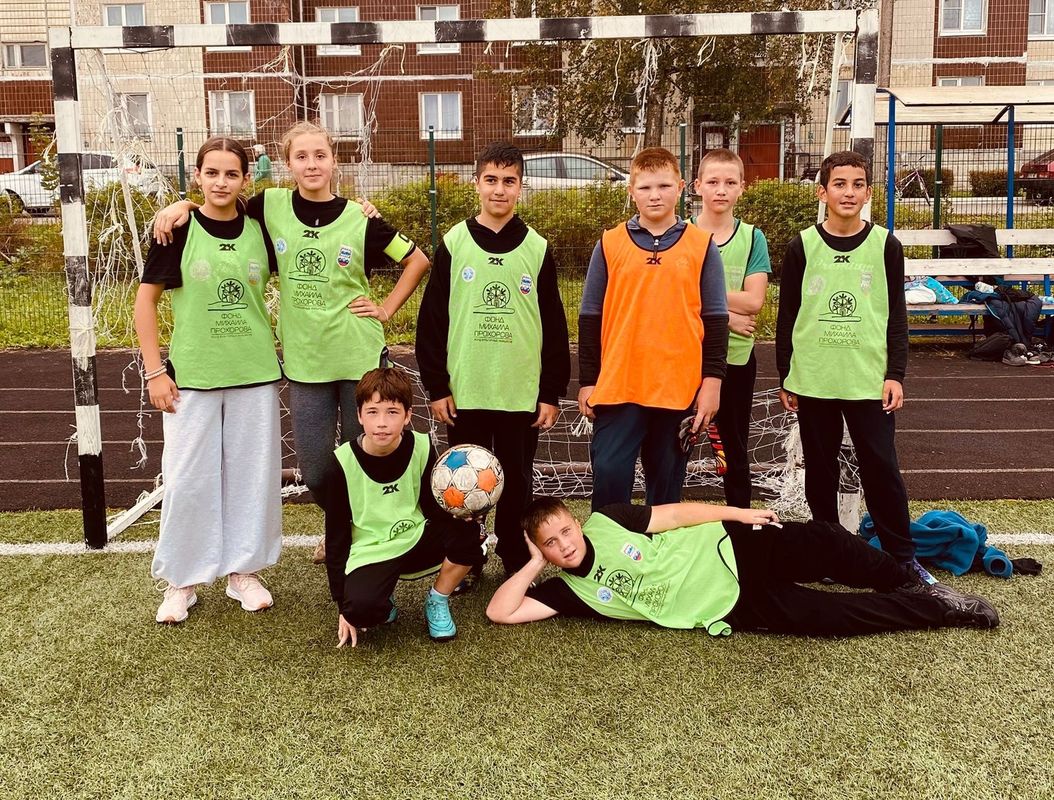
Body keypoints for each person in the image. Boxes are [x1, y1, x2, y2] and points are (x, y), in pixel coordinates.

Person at [153, 122, 430, 563]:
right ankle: (340, 522)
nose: (312, 164)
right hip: (305, 362)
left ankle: (358, 536)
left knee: (365, 457)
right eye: (301, 156)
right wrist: (181, 205)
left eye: (320, 155)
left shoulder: (360, 217)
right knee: (316, 469)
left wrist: (386, 309)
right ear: (287, 164)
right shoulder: (270, 205)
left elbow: (417, 261)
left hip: (358, 356)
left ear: (334, 160)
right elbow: (219, 205)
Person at [135, 137, 282, 624]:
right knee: (187, 480)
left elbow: (313, 219)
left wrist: (364, 209)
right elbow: (145, 302)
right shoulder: (176, 230)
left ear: (245, 179)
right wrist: (155, 371)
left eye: (231, 173)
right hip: (192, 377)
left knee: (251, 478)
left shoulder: (261, 226)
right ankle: (183, 579)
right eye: (212, 173)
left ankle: (243, 572)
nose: (221, 182)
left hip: (254, 372)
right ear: (197, 176)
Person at [486, 497, 1000, 635]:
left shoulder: (608, 520)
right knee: (832, 618)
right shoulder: (566, 593)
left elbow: (676, 514)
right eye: (550, 544)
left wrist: (737, 513)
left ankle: (912, 582)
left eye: (565, 531)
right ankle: (939, 611)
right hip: (729, 604)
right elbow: (500, 612)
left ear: (576, 522)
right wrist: (531, 565)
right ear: (544, 551)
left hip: (728, 547)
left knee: (824, 539)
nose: (564, 545)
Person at [775, 150, 933, 583]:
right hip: (815, 377)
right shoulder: (802, 246)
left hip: (868, 378)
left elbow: (896, 314)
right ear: (822, 192)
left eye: (857, 184)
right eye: (839, 184)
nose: (848, 192)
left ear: (868, 193)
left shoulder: (886, 245)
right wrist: (786, 374)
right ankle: (830, 554)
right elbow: (788, 315)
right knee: (820, 470)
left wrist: (895, 373)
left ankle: (901, 558)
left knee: (881, 468)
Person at [416, 141, 570, 577]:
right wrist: (438, 386)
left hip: (519, 393)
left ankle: (515, 558)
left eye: (509, 181)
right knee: (466, 482)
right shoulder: (455, 243)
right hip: (467, 391)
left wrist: (551, 392)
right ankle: (467, 560)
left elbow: (554, 325)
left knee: (517, 482)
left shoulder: (536, 248)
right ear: (476, 183)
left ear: (521, 187)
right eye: (491, 180)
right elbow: (432, 321)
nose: (499, 189)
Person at [578, 147, 728, 511]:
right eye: (645, 188)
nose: (655, 195)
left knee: (665, 489)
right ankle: (610, 546)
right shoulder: (609, 243)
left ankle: (659, 548)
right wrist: (587, 380)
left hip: (677, 389)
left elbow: (716, 320)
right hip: (619, 386)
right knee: (609, 475)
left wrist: (712, 383)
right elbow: (590, 316)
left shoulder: (701, 246)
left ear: (680, 187)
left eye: (663, 186)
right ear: (631, 191)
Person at [319, 367, 485, 645]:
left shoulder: (422, 446)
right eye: (373, 412)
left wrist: (464, 521)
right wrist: (342, 604)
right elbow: (337, 536)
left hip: (416, 537)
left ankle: (437, 599)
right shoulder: (341, 464)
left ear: (408, 415)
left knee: (471, 535)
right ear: (359, 415)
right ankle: (382, 598)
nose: (382, 423)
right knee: (361, 611)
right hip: (371, 550)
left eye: (392, 412)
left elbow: (433, 509)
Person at [692, 149, 771, 510]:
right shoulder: (682, 235)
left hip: (735, 359)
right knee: (674, 443)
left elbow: (754, 301)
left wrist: (701, 298)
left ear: (742, 187)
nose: (720, 189)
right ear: (698, 186)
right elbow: (672, 298)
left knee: (733, 448)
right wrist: (726, 317)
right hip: (687, 358)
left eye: (729, 182)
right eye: (712, 181)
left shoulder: (753, 238)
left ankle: (741, 522)